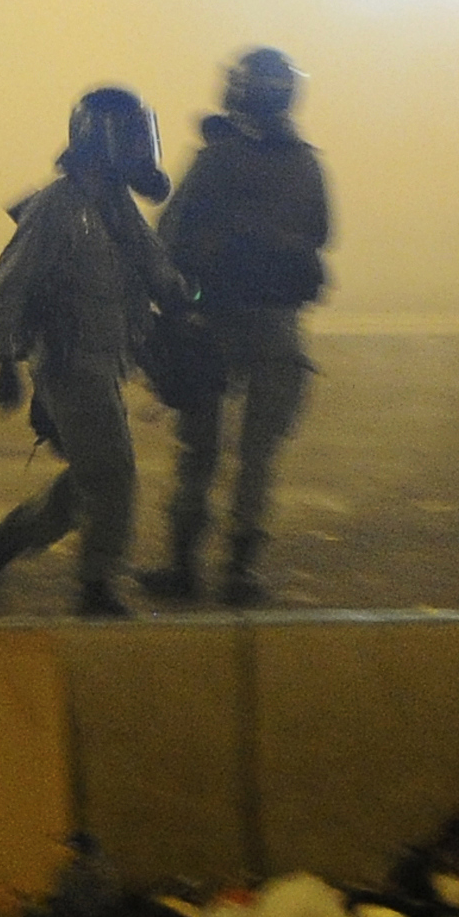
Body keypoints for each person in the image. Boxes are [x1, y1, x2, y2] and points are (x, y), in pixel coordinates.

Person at [0, 87, 189, 618]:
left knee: (89, 479)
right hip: (68, 366)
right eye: (128, 137)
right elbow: (10, 287)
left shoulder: (114, 206)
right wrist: (7, 360)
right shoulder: (56, 209)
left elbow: (157, 269)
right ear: (99, 142)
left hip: (106, 362)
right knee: (113, 477)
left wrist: (188, 298)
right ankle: (96, 585)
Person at [140, 48, 331, 606]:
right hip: (277, 326)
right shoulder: (304, 162)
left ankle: (183, 567)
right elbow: (320, 234)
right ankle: (241, 572)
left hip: (214, 323)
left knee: (198, 451)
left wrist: (178, 306)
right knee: (258, 457)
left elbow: (171, 237)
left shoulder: (217, 159)